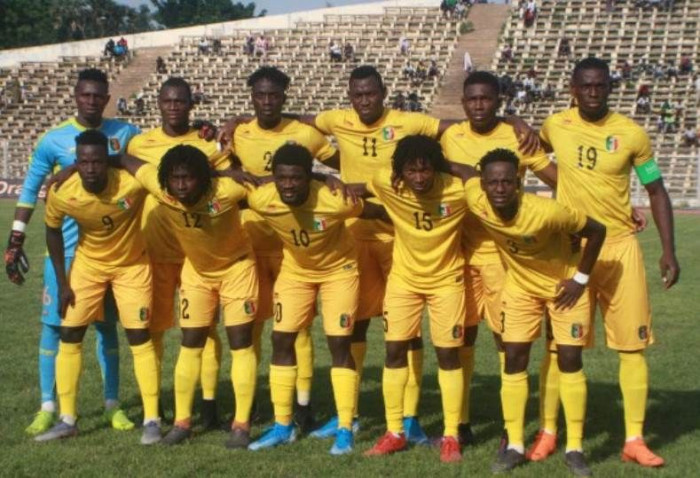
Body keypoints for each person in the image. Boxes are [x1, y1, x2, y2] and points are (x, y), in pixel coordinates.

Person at [537, 56, 680, 468]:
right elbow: (532, 157)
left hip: (620, 249)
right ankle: (548, 431)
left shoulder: (632, 134)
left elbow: (656, 190)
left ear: (610, 88)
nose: (593, 92)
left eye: (601, 85)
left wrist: (668, 250)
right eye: (586, 85)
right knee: (559, 347)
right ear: (573, 89)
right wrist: (563, 188)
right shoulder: (555, 125)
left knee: (632, 348)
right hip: (570, 248)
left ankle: (634, 439)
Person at [453, 149, 606, 475]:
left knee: (569, 359)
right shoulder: (477, 199)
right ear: (484, 184)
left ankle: (575, 448)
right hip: (521, 289)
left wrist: (580, 279)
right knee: (514, 358)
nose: (499, 188)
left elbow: (597, 231)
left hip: (564, 289)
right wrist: (428, 157)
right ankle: (515, 445)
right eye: (493, 182)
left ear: (519, 183)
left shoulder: (547, 212)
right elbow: (463, 170)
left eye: (507, 182)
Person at [5, 68, 139, 436]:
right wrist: (16, 239)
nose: (91, 101)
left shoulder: (126, 133)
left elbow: (155, 157)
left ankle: (112, 406)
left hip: (109, 252)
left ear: (107, 98)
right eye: (85, 95)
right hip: (63, 253)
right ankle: (48, 407)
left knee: (106, 328)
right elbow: (30, 190)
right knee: (54, 327)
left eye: (98, 96)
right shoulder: (53, 140)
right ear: (75, 96)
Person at [440, 71, 557, 446]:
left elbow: (556, 178)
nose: (479, 105)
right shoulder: (450, 137)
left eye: (486, 98)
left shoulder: (517, 137)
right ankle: (461, 422)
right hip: (458, 253)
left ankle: (511, 427)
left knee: (508, 342)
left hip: (503, 257)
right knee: (461, 339)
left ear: (498, 101)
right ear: (463, 102)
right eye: (472, 99)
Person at [246, 144, 386, 455]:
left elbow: (375, 211)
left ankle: (346, 427)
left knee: (339, 343)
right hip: (296, 272)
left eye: (296, 178)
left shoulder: (335, 200)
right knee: (281, 339)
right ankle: (283, 425)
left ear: (309, 178)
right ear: (273, 178)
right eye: (281, 178)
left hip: (339, 272)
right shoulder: (261, 199)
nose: (288, 185)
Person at [118, 145, 258, 449]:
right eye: (175, 178)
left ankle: (241, 425)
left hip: (237, 269)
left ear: (203, 178)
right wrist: (78, 166)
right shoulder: (162, 188)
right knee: (190, 341)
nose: (181, 185)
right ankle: (182, 423)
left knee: (240, 342)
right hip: (197, 271)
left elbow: (272, 182)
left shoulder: (228, 190)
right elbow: (128, 160)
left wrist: (322, 178)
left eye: (189, 178)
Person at [227, 66, 340, 433]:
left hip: (293, 248)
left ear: (284, 96)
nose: (267, 101)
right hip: (251, 243)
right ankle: (252, 403)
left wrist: (324, 177)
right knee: (253, 326)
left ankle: (303, 405)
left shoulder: (306, 134)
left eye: (273, 95)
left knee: (298, 329)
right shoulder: (238, 133)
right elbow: (221, 172)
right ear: (251, 97)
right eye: (260, 95)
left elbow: (343, 163)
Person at [35, 130, 160, 445]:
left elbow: (153, 172)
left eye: (98, 161)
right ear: (76, 163)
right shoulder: (63, 191)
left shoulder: (130, 183)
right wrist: (63, 283)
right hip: (88, 266)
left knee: (138, 336)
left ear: (108, 161)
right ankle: (67, 419)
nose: (91, 168)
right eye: (84, 162)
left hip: (132, 266)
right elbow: (52, 232)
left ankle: (152, 420)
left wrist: (120, 158)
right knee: (70, 334)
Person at [125, 77, 229, 430]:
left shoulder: (206, 141)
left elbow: (228, 173)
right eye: (168, 101)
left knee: (204, 330)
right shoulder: (140, 143)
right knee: (153, 330)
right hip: (155, 251)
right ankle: (154, 405)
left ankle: (210, 404)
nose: (174, 107)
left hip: (196, 254)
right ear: (158, 103)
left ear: (190, 104)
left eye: (180, 101)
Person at [362, 135, 469, 463]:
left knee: (448, 354)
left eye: (426, 170)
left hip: (447, 281)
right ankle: (394, 432)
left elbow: (480, 177)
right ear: (400, 172)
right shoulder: (387, 182)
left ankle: (450, 435)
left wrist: (445, 165)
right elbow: (360, 187)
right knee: (394, 351)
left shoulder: (458, 189)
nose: (419, 178)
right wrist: (324, 179)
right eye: (412, 171)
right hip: (404, 281)